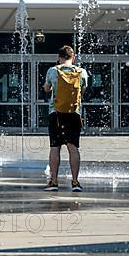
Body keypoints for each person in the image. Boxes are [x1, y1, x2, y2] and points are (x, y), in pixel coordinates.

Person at [43, 45, 88, 192]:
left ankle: (54, 182)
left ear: (59, 57)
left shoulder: (53, 71)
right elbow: (84, 88)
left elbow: (47, 88)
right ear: (73, 57)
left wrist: (49, 86)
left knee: (55, 148)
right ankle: (75, 182)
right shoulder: (82, 72)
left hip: (55, 113)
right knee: (73, 148)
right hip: (74, 113)